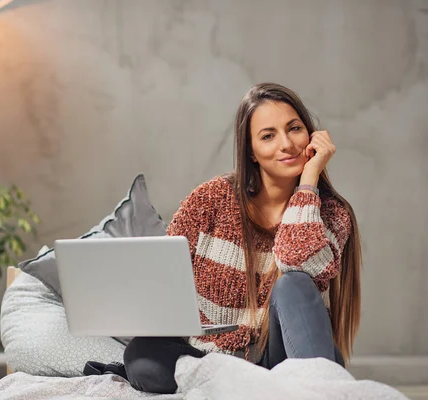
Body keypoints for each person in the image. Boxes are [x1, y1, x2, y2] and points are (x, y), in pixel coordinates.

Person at [89, 82, 362, 394]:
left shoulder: (332, 213)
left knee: (295, 282)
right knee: (142, 358)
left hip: (278, 355)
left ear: (311, 134)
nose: (286, 144)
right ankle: (243, 386)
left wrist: (309, 181)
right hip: (206, 353)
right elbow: (163, 277)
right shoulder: (211, 199)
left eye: (294, 128)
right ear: (252, 152)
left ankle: (290, 386)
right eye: (268, 136)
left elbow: (297, 260)